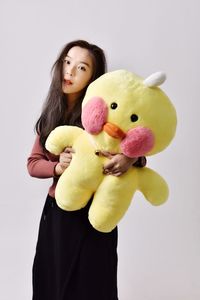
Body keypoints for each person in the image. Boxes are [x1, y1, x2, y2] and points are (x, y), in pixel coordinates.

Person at [27, 39, 146, 300]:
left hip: (96, 214)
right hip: (58, 214)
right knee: (53, 284)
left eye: (81, 67)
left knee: (95, 284)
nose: (70, 71)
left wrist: (128, 158)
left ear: (94, 76)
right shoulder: (51, 115)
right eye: (67, 62)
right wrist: (58, 166)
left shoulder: (102, 114)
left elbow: (137, 146)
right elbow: (33, 164)